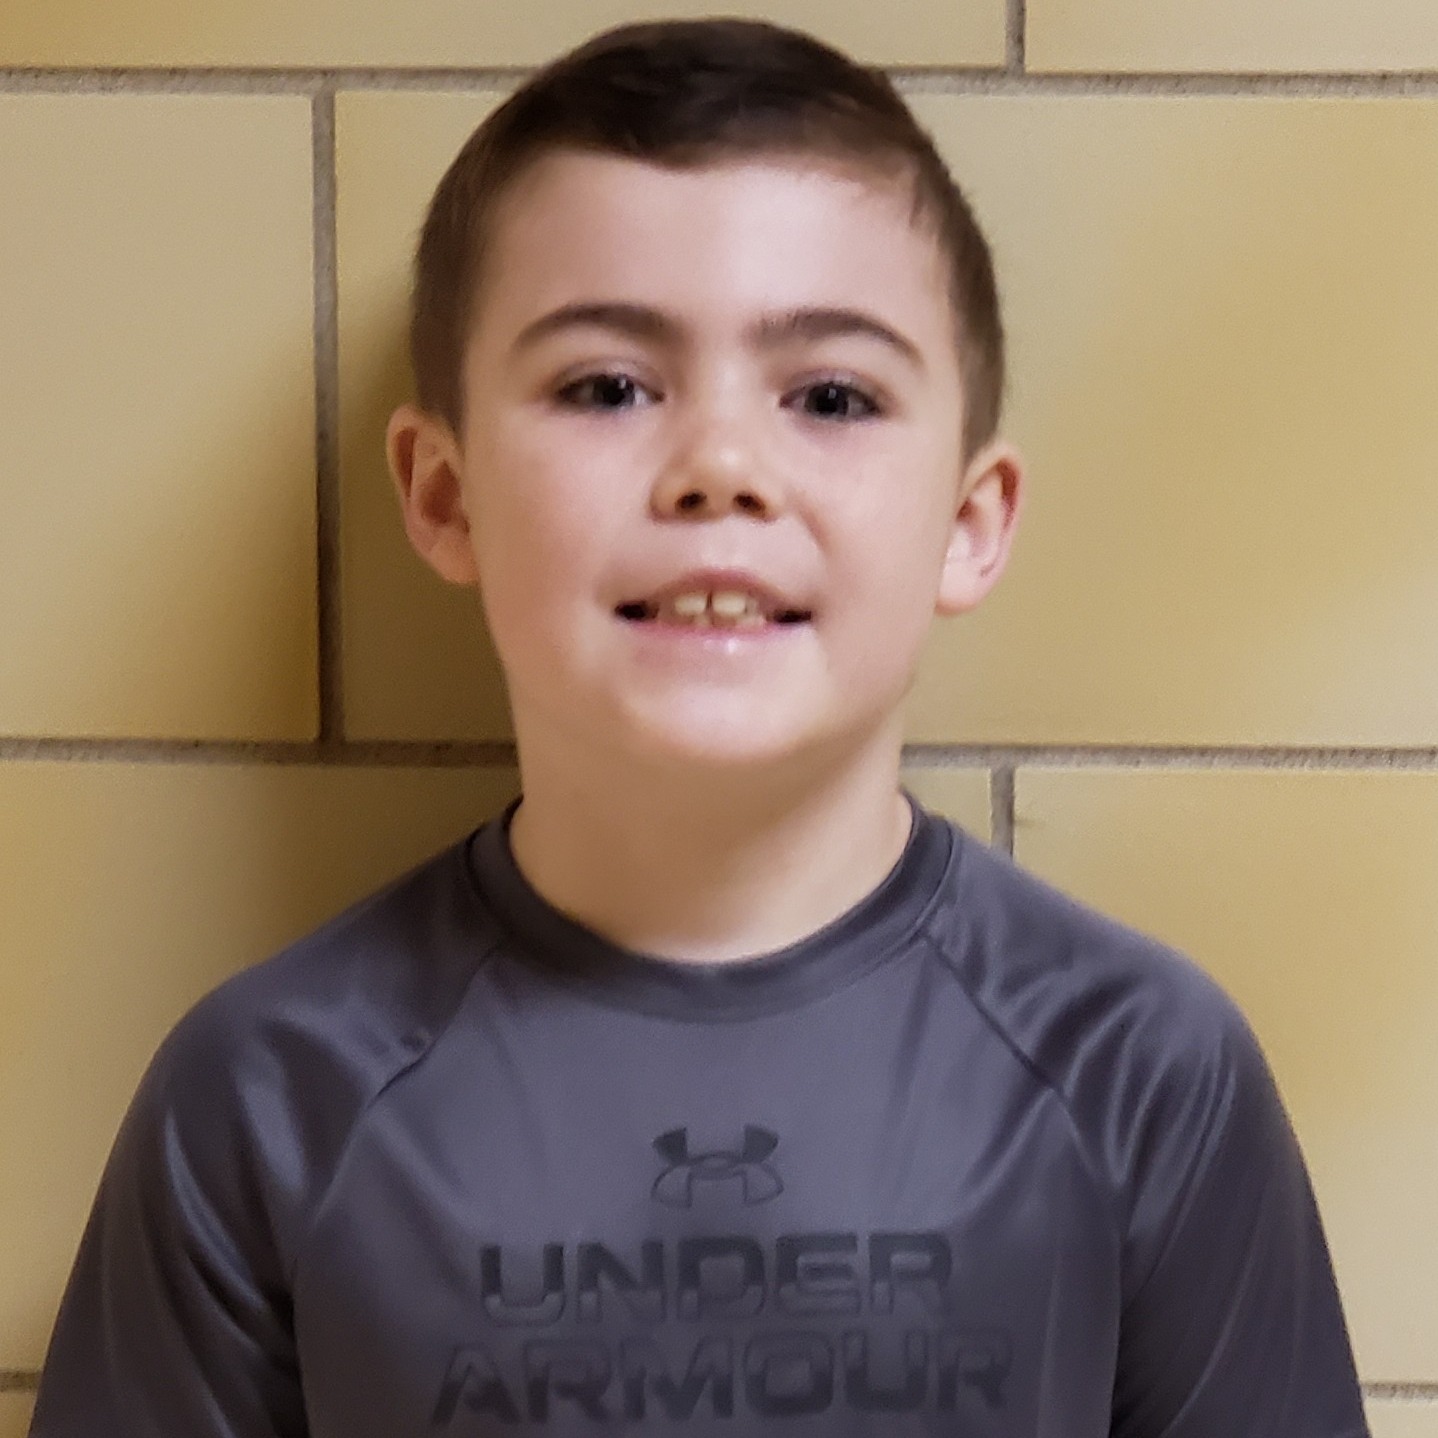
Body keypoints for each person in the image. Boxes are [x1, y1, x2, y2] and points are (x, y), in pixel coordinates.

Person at [29, 16, 1369, 1437]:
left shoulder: (1140, 1070)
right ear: (441, 495)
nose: (718, 467)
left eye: (830, 395)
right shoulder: (265, 1096)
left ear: (967, 526)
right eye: (606, 386)